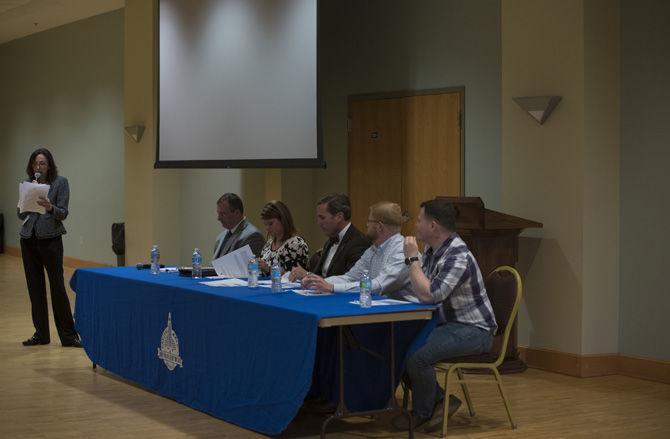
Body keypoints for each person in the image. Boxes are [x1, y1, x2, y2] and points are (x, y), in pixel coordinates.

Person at [393, 198, 497, 432]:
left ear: (434, 226)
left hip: (473, 330)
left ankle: (423, 412)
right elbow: (421, 291)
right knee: (398, 347)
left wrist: (411, 259)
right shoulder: (433, 249)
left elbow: (430, 295)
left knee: (417, 357)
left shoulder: (457, 256)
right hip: (447, 324)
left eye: (419, 220)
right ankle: (439, 401)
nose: (415, 225)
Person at [17, 148, 81, 348]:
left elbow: (63, 213)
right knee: (35, 289)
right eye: (36, 163)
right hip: (28, 238)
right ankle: (41, 334)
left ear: (50, 165)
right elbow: (20, 214)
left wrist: (49, 207)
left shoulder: (60, 183)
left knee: (57, 287)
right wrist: (26, 203)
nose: (39, 167)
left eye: (43, 163)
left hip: (50, 239)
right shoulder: (28, 184)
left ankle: (68, 336)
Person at [301, 201, 414, 301]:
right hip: (381, 310)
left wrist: (332, 287)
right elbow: (350, 277)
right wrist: (317, 281)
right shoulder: (373, 250)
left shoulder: (402, 251)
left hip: (408, 316)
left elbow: (378, 285)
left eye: (369, 221)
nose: (366, 225)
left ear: (379, 226)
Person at [289, 193, 369, 281]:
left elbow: (349, 281)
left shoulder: (359, 242)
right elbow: (319, 274)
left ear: (339, 217)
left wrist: (307, 275)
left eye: (322, 218)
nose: (318, 223)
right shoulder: (330, 241)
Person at [258, 200, 309, 275]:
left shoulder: (295, 244)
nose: (267, 228)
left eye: (271, 223)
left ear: (283, 220)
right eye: (265, 224)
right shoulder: (269, 243)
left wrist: (268, 269)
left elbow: (294, 276)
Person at [213, 193, 265, 259]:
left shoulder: (253, 236)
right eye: (218, 213)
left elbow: (250, 267)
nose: (219, 218)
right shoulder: (220, 237)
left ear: (237, 213)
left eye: (223, 214)